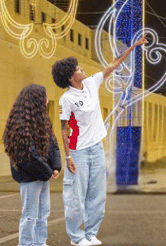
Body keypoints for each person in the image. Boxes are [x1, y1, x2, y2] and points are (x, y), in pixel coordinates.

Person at [53, 36, 147, 246]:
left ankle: (91, 234)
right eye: (77, 69)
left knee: (97, 194)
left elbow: (113, 64)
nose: (81, 69)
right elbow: (63, 129)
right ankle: (76, 238)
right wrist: (67, 156)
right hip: (77, 151)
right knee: (76, 196)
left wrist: (134, 46)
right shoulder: (66, 99)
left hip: (96, 148)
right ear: (70, 77)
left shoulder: (91, 83)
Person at [3, 84, 62, 246]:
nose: (46, 100)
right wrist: (47, 171)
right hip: (30, 178)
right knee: (30, 215)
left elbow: (53, 144)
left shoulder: (43, 120)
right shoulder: (21, 123)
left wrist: (55, 166)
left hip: (43, 175)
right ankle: (26, 244)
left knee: (43, 213)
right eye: (44, 97)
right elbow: (28, 155)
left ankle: (40, 243)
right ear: (36, 100)